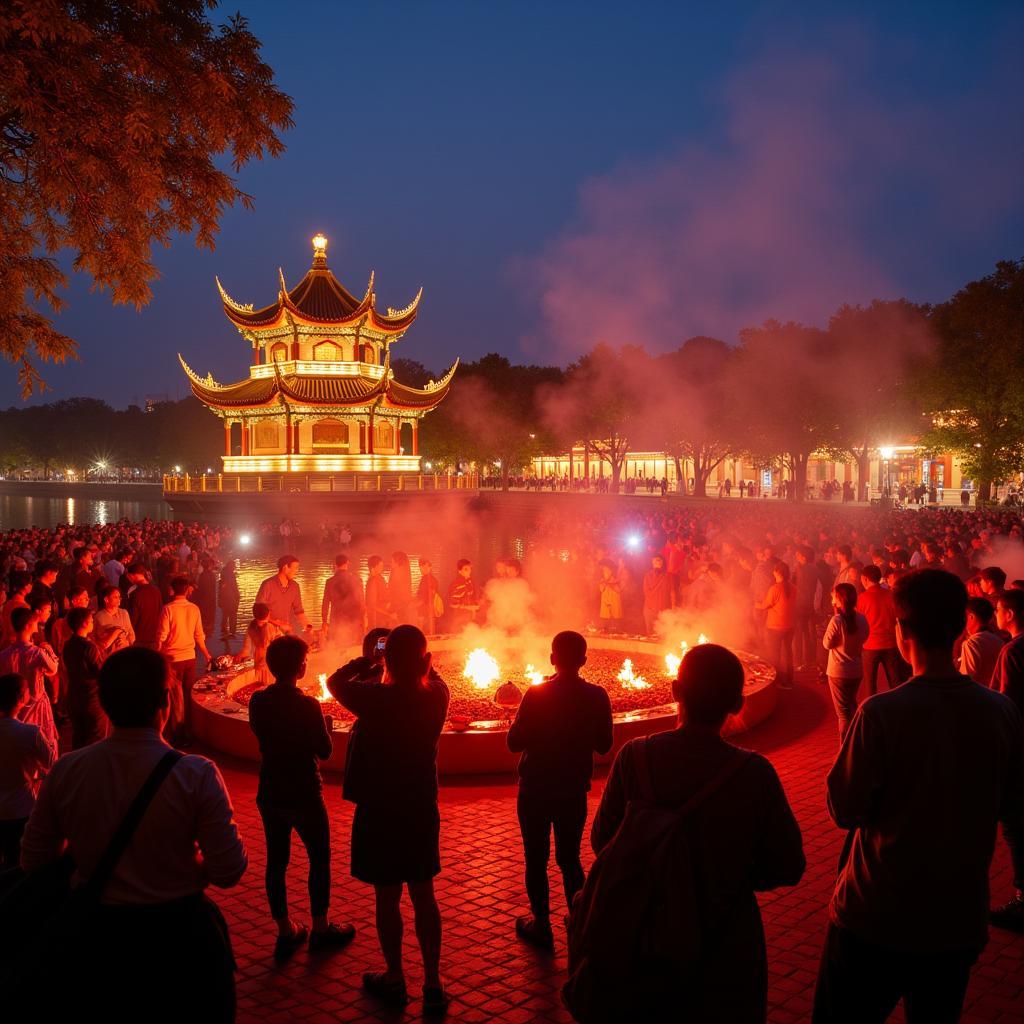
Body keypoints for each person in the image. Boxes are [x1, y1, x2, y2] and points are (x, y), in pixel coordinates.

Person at [813, 569, 1024, 1023]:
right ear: (957, 628)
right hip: (955, 920)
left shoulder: (881, 714)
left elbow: (843, 808)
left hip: (875, 916)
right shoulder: (1001, 712)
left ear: (901, 631)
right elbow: (1013, 806)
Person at [19, 646, 247, 1022]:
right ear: (164, 700)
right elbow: (229, 870)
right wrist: (188, 868)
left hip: (98, 942)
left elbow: (33, 859)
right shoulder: (197, 774)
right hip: (181, 941)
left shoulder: (67, 771)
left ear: (105, 703)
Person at [590, 643, 805, 1022]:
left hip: (646, 938)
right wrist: (729, 871)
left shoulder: (634, 758)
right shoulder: (755, 774)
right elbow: (787, 865)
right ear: (738, 703)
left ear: (675, 692)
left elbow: (602, 841)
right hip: (727, 948)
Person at [329, 625, 450, 1015]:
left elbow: (335, 681)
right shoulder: (437, 696)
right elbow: (433, 674)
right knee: (423, 893)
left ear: (388, 660)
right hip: (419, 805)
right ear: (425, 660)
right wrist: (414, 661)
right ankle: (433, 982)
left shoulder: (375, 699)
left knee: (387, 896)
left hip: (379, 807)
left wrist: (369, 657)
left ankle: (395, 976)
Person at [248, 635, 355, 959]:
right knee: (318, 858)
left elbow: (261, 734)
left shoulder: (258, 701)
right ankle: (320, 927)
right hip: (305, 792)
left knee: (276, 862)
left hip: (270, 791)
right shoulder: (308, 705)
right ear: (301, 668)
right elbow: (324, 751)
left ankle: (285, 930)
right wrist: (324, 724)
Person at [507, 630, 613, 948]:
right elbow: (605, 745)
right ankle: (578, 922)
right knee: (569, 859)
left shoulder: (537, 694)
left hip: (535, 789)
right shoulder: (596, 696)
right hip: (572, 790)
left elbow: (514, 743)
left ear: (552, 658)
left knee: (535, 858)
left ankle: (542, 925)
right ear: (583, 660)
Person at [989, 587, 1024, 931]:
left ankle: (1022, 900)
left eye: (998, 610)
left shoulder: (1013, 651)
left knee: (1015, 826)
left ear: (1009, 614)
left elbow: (1006, 701)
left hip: (1019, 750)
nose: (995, 615)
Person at [0, 673, 56, 869]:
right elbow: (52, 762)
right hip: (22, 808)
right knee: (19, 863)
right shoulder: (30, 733)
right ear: (22, 698)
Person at [158, 575, 212, 746]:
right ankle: (188, 730)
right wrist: (206, 653)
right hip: (190, 657)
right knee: (188, 694)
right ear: (188, 590)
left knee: (174, 696)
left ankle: (176, 732)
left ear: (172, 590)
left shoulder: (168, 609)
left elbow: (162, 635)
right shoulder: (194, 608)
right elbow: (199, 635)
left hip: (172, 658)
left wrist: (157, 654)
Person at [0, 607, 59, 755]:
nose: (37, 624)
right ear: (28, 625)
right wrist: (49, 651)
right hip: (37, 703)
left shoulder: (4, 654)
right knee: (40, 742)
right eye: (34, 622)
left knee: (17, 740)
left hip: (14, 705)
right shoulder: (37, 653)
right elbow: (53, 669)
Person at [822, 584, 870, 740]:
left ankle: (846, 750)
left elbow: (826, 644)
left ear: (840, 599)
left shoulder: (836, 620)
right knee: (850, 706)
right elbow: (864, 637)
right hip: (856, 670)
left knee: (843, 713)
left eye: (833, 596)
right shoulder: (862, 619)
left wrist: (838, 641)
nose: (831, 599)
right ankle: (858, 742)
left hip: (838, 672)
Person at [62, 606, 108, 749]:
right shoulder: (89, 647)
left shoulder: (68, 644)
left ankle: (77, 768)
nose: (93, 622)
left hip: (74, 696)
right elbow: (100, 673)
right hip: (91, 698)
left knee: (79, 738)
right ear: (84, 623)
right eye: (91, 620)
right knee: (96, 740)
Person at [857, 565, 903, 694]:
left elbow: (859, 622)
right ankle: (899, 709)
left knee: (870, 685)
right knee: (895, 683)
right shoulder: (891, 595)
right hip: (891, 644)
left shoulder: (862, 598)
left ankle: (872, 711)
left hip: (870, 645)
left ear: (865, 579)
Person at [756, 561, 795, 688]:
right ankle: (789, 679)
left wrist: (755, 604)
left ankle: (777, 680)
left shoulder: (775, 589)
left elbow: (764, 605)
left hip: (775, 626)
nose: (773, 573)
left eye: (774, 571)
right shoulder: (793, 587)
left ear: (778, 573)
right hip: (790, 625)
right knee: (788, 652)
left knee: (775, 655)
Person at [255, 555, 312, 637]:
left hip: (285, 630)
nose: (297, 571)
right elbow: (259, 612)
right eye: (295, 568)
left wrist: (308, 627)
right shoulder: (268, 584)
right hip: (267, 630)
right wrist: (278, 623)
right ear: (285, 567)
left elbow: (299, 611)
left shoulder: (295, 586)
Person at [958, 596, 1004, 687]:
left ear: (971, 617)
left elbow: (966, 679)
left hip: (976, 697)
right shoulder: (998, 640)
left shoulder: (972, 643)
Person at [321, 554, 365, 647]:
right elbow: (361, 602)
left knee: (337, 647)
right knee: (353, 648)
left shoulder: (330, 582)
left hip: (336, 621)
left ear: (335, 565)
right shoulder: (357, 580)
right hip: (354, 621)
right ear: (347, 563)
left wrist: (324, 622)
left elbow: (325, 603)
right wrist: (363, 620)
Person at [237, 602, 279, 684]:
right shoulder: (270, 627)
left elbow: (246, 650)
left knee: (260, 684)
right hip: (268, 659)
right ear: (268, 614)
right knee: (269, 684)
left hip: (258, 657)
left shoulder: (251, 626)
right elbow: (278, 645)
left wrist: (239, 657)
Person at [125, 563, 163, 650]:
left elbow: (132, 618)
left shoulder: (135, 593)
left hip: (139, 638)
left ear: (132, 575)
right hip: (154, 636)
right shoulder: (156, 590)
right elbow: (161, 612)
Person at [94, 583, 136, 652]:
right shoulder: (98, 616)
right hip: (107, 655)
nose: (119, 599)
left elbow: (131, 634)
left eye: (119, 597)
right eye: (115, 597)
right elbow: (93, 638)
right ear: (106, 599)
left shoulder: (124, 613)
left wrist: (127, 642)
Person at [641, 555, 673, 635]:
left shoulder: (668, 576)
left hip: (663, 610)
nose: (658, 562)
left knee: (662, 634)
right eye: (656, 560)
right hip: (650, 609)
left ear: (662, 563)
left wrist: (673, 607)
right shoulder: (647, 576)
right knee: (650, 634)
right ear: (652, 562)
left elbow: (672, 592)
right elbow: (647, 593)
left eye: (660, 560)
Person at [446, 558, 478, 632]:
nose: (469, 571)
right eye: (466, 569)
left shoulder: (469, 581)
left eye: (470, 569)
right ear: (459, 571)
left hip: (469, 618)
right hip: (460, 619)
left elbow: (471, 597)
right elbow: (453, 604)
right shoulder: (458, 583)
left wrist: (475, 606)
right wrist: (468, 607)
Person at [365, 555, 393, 630]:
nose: (382, 568)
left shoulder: (379, 579)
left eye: (382, 566)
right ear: (373, 568)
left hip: (382, 619)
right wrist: (389, 614)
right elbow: (372, 605)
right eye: (380, 566)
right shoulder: (373, 582)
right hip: (376, 621)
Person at [415, 558, 441, 635]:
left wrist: (414, 606)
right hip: (428, 612)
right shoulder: (431, 579)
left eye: (426, 566)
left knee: (424, 633)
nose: (423, 569)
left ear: (430, 567)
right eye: (422, 567)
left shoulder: (428, 580)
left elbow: (424, 599)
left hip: (425, 613)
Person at [218, 560, 241, 639]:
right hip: (231, 598)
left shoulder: (223, 575)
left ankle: (224, 628)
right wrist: (237, 596)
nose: (234, 568)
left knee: (225, 614)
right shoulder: (231, 575)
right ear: (231, 567)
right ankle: (232, 632)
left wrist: (220, 599)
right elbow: (234, 587)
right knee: (233, 615)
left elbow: (221, 588)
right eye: (234, 566)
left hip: (225, 598)